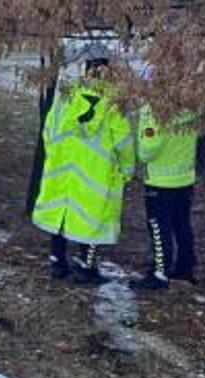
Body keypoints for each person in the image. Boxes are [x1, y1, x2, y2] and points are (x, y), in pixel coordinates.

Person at [32, 45, 135, 284]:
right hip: (95, 174)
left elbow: (49, 129)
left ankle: (57, 261)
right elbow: (123, 141)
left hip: (62, 169)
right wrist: (128, 169)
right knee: (93, 220)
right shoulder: (112, 102)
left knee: (61, 216)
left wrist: (55, 155)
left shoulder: (65, 96)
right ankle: (86, 267)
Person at [130, 106, 202, 290]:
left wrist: (142, 129)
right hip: (184, 178)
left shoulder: (155, 109)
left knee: (159, 228)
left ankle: (160, 274)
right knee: (182, 225)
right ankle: (185, 269)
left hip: (160, 182)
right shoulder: (192, 105)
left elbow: (148, 149)